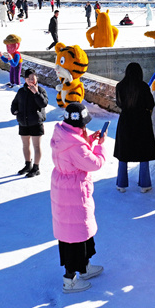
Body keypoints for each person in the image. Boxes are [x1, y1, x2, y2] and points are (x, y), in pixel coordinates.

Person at [50, 102, 106, 293]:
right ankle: (70, 280)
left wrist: (88, 140)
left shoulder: (63, 135)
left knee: (77, 231)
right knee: (74, 237)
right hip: (73, 191)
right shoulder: (76, 146)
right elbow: (95, 163)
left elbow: (74, 152)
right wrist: (99, 146)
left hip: (65, 188)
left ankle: (84, 267)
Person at [114, 63, 155, 193]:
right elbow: (151, 103)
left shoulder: (120, 86)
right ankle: (145, 184)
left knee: (123, 153)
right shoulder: (143, 86)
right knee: (143, 152)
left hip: (125, 121)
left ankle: (121, 184)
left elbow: (119, 104)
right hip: (142, 121)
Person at [11, 68, 48, 178]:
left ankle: (36, 168)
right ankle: (28, 165)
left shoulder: (41, 90)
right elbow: (14, 103)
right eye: (29, 78)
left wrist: (36, 93)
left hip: (36, 122)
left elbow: (43, 104)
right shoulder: (21, 91)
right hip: (24, 122)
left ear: (37, 78)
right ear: (25, 79)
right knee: (25, 145)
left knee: (36, 146)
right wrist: (15, 111)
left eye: (33, 78)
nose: (31, 80)